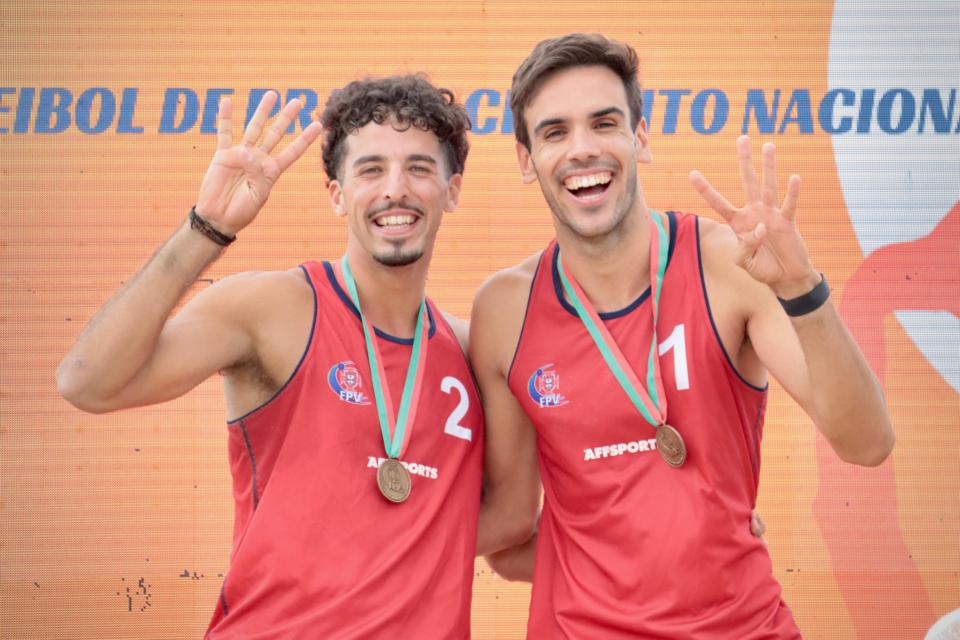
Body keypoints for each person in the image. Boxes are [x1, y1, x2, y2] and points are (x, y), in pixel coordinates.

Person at [471, 33, 895, 638]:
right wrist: (633, 562)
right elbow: (510, 535)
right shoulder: (505, 310)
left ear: (640, 138)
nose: (583, 149)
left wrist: (801, 287)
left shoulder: (729, 263)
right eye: (555, 132)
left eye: (604, 123)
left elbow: (867, 443)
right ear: (525, 159)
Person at [57, 75, 483, 638]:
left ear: (452, 190)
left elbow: (508, 517)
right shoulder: (275, 307)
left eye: (419, 168)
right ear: (337, 194)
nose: (395, 190)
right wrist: (207, 229)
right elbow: (86, 383)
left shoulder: (471, 351)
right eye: (370, 169)